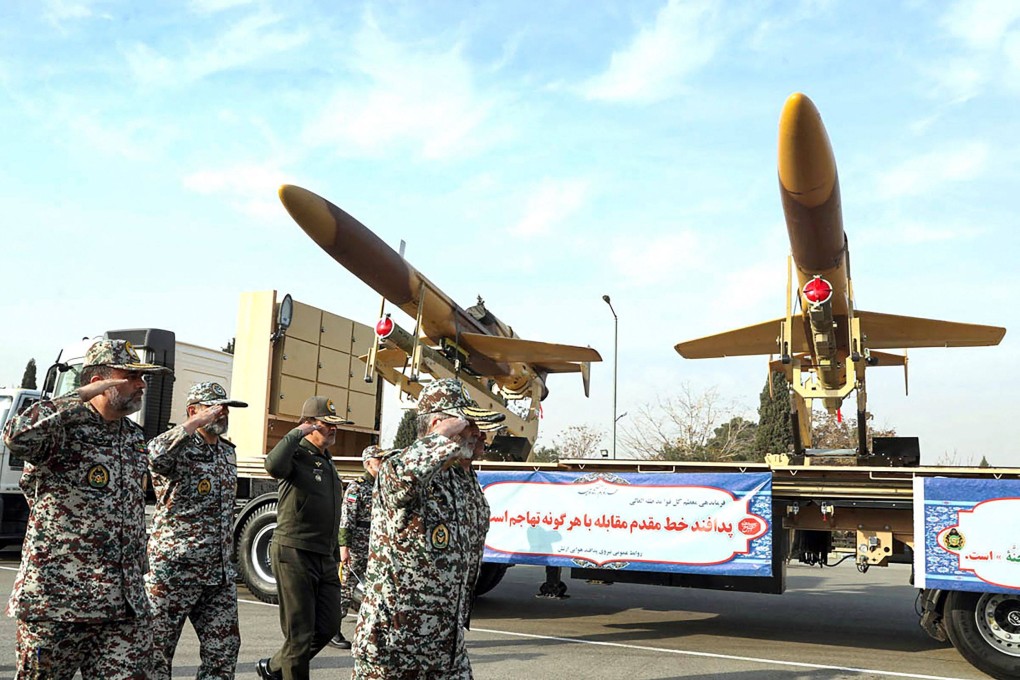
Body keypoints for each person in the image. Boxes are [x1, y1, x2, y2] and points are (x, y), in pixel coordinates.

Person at [2, 339, 170, 678]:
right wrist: (78, 396)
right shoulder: (62, 427)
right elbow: (15, 436)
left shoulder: (133, 437)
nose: (142, 384)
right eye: (131, 376)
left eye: (143, 377)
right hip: (58, 603)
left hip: (122, 606)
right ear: (99, 381)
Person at [351, 378, 504, 679]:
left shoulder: (462, 479)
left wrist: (471, 445)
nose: (476, 432)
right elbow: (397, 483)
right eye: (467, 424)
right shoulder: (399, 467)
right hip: (395, 644)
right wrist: (439, 439)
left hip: (446, 645)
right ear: (437, 424)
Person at [146, 381, 248, 679]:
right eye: (215, 408)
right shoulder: (177, 448)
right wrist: (193, 424)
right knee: (156, 653)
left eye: (226, 408)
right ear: (193, 410)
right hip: (175, 570)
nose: (223, 413)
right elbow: (154, 454)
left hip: (218, 574)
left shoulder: (227, 452)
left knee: (224, 651)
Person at [257, 396, 351, 680]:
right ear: (309, 424)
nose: (333, 429)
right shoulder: (297, 453)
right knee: (299, 633)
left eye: (335, 425)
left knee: (328, 625)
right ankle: (286, 671)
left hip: (323, 554)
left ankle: (274, 667)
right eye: (327, 424)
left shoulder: (326, 460)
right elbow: (272, 466)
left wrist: (335, 552)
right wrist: (297, 431)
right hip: (294, 551)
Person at [329, 444, 389, 650]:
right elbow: (347, 518)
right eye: (378, 460)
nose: (382, 463)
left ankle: (373, 631)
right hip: (358, 545)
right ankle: (331, 630)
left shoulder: (385, 486)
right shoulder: (358, 486)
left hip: (377, 545)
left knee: (376, 590)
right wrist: (344, 546)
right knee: (345, 588)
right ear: (368, 464)